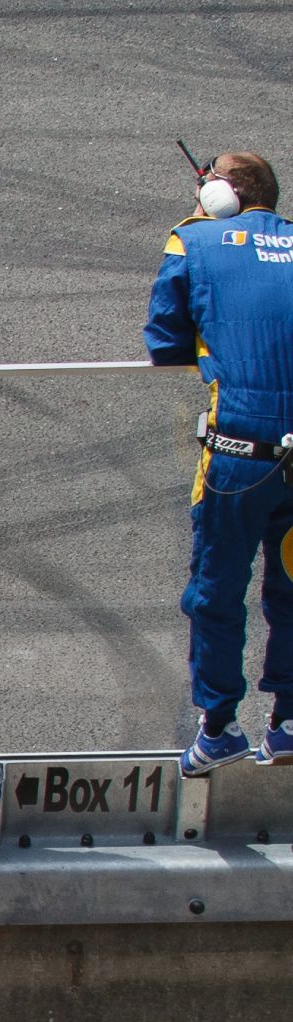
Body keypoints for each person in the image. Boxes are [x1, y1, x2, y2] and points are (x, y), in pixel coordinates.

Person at [143, 152, 293, 777]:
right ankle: (287, 723)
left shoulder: (193, 238)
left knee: (214, 593)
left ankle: (218, 726)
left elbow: (164, 339)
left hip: (238, 458)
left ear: (224, 194)